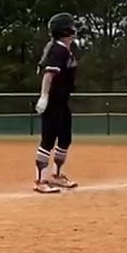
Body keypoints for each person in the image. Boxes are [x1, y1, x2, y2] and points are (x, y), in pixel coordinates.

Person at [33, 12, 79, 193]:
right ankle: (40, 180)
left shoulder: (65, 49)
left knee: (65, 138)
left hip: (62, 100)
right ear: (65, 30)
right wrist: (44, 96)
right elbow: (48, 74)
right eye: (71, 26)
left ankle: (57, 176)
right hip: (53, 100)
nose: (74, 29)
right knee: (48, 139)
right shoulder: (57, 50)